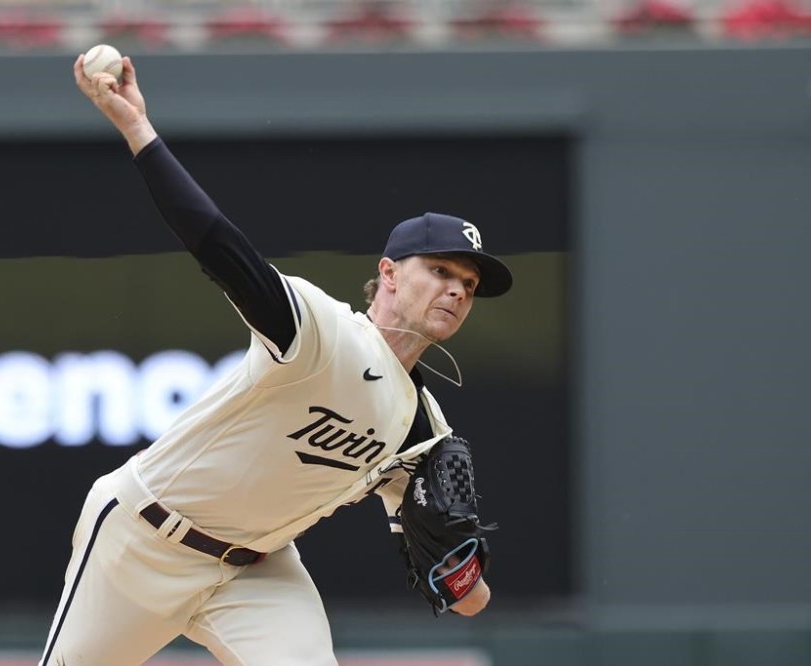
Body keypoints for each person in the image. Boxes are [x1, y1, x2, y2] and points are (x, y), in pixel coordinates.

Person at [38, 53, 514, 666]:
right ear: (389, 273)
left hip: (257, 572)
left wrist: (462, 574)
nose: (456, 290)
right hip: (142, 540)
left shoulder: (423, 429)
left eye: (469, 285)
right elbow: (217, 242)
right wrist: (137, 130)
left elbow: (471, 602)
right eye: (441, 270)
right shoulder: (320, 332)